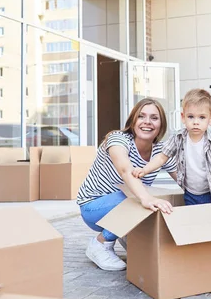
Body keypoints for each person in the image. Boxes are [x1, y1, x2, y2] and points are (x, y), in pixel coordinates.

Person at [76, 98, 178, 271]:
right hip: (93, 207)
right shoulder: (118, 139)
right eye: (141, 116)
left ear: (161, 124)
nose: (147, 122)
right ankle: (100, 243)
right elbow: (125, 170)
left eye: (154, 118)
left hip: (124, 205)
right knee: (140, 196)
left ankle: (126, 233)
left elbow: (185, 179)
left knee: (155, 197)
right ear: (133, 121)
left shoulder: (160, 152)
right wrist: (145, 198)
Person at [133, 88, 211, 216]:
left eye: (202, 117)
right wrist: (144, 169)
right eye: (191, 116)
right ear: (183, 117)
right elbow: (161, 157)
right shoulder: (179, 138)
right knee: (195, 225)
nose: (196, 122)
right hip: (190, 194)